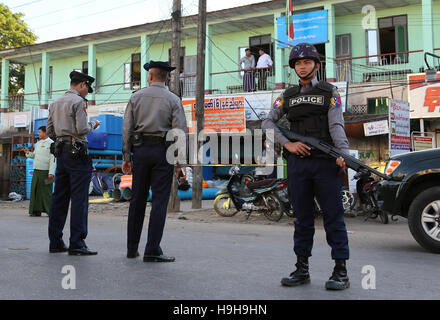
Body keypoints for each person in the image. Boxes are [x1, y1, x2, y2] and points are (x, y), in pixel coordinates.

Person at [261, 43, 350, 290]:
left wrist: (343, 155)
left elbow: (336, 126)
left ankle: (340, 271)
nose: (302, 66)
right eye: (298, 63)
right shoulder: (286, 96)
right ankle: (302, 269)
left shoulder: (330, 92)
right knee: (302, 218)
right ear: (294, 68)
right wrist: (287, 145)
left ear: (317, 65)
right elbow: (268, 122)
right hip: (298, 165)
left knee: (333, 217)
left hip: (324, 163)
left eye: (307, 62)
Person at [122, 60, 187, 262]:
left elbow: (127, 129)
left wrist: (126, 156)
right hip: (163, 152)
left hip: (140, 152)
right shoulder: (173, 99)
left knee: (137, 200)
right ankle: (152, 249)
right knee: (159, 201)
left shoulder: (136, 97)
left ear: (150, 76)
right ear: (166, 77)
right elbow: (179, 132)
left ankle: (132, 249)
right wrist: (180, 164)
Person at [46, 71, 101, 256]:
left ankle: (55, 241)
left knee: (59, 198)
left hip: (62, 153)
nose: (87, 93)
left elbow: (50, 131)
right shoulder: (78, 102)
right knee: (79, 199)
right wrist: (93, 124)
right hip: (78, 156)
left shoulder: (54, 103)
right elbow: (82, 129)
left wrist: (63, 136)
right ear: (83, 85)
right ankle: (77, 243)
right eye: (87, 89)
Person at [25, 126, 56, 217]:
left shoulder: (52, 143)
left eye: (40, 132)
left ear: (45, 132)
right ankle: (35, 211)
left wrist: (51, 173)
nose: (39, 134)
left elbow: (53, 159)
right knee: (35, 191)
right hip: (36, 171)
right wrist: (27, 153)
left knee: (47, 191)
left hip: (47, 172)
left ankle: (50, 211)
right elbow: (34, 155)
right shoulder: (38, 144)